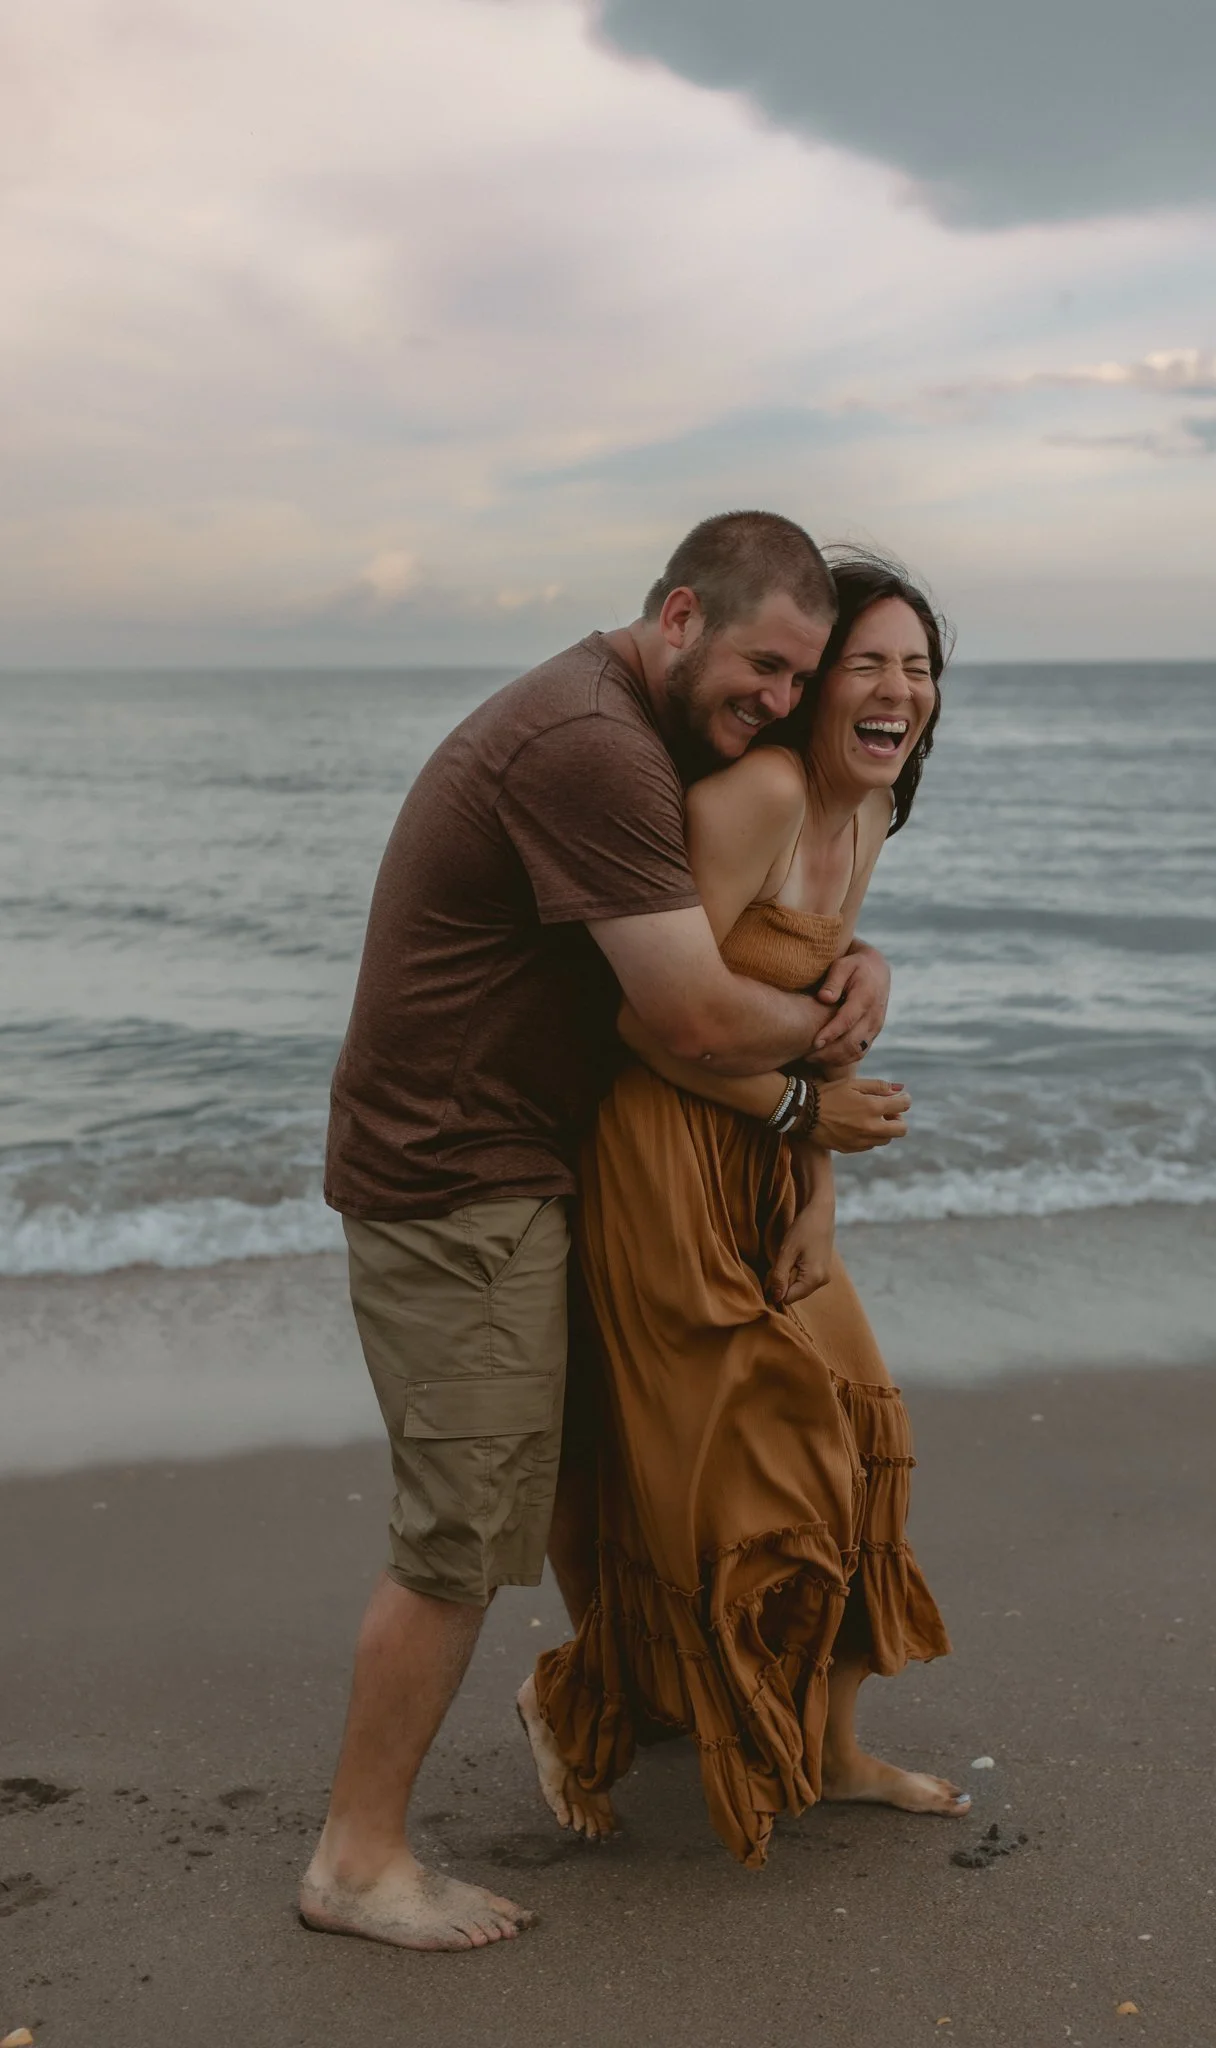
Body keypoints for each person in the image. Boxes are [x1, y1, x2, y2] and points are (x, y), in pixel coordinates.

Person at [303, 512, 911, 1951]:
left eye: (797, 681)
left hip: (533, 1161)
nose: (775, 700)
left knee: (592, 1471)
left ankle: (619, 1708)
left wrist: (856, 961)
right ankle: (356, 1858)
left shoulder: (641, 733)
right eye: (764, 664)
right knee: (462, 1529)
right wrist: (831, 1046)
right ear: (681, 614)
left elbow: (743, 932)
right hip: (459, 1176)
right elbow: (688, 1010)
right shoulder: (590, 745)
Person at [528, 552, 967, 1869]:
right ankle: (577, 1697)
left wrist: (817, 1189)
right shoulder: (767, 792)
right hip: (668, 1159)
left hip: (775, 1158)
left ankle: (832, 1754)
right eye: (870, 665)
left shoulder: (869, 817)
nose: (899, 692)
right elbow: (648, 1021)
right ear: (812, 688)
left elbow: (817, 1035)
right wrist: (797, 1121)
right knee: (736, 1478)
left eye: (922, 670)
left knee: (855, 1430)